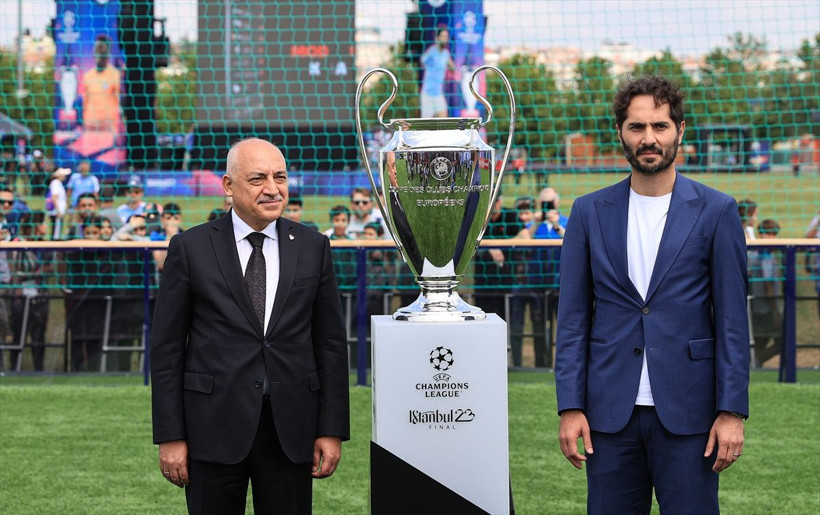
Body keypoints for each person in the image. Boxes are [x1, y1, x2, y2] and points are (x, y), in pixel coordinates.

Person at [556, 76, 749, 514]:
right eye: (637, 127)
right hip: (608, 414)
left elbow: (733, 322)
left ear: (680, 130)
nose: (649, 138)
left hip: (691, 413)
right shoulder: (588, 211)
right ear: (620, 133)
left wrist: (732, 411)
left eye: (660, 126)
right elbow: (571, 319)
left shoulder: (717, 210)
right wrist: (570, 406)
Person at [150, 138, 349, 513]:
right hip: (211, 428)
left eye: (280, 177)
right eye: (258, 178)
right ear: (228, 185)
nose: (273, 189)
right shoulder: (190, 248)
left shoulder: (313, 246)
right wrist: (170, 435)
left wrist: (331, 428)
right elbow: (167, 350)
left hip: (291, 430)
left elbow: (331, 345)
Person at [8, 211, 51, 371]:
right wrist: (35, 273)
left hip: (40, 297)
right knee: (19, 335)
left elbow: (50, 268)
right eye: (43, 223)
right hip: (21, 298)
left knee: (39, 337)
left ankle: (39, 369)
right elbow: (14, 270)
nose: (45, 227)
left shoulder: (45, 246)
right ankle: (14, 369)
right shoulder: (18, 244)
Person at [473, 194, 521, 320]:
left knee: (506, 318)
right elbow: (469, 240)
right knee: (484, 317)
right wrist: (489, 248)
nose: (493, 204)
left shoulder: (510, 215)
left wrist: (502, 246)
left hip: (507, 277)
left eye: (495, 201)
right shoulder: (478, 216)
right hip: (484, 281)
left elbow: (525, 235)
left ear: (500, 201)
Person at [749, 219, 783, 367]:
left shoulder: (753, 254)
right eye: (769, 233)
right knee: (782, 342)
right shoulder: (766, 256)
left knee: (760, 343)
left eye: (774, 234)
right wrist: (775, 311)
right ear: (760, 234)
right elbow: (768, 284)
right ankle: (753, 362)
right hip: (766, 309)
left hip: (757, 307)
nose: (772, 237)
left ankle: (754, 362)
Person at [79, 35, 121, 133]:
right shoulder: (87, 76)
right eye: (96, 48)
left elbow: (120, 102)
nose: (98, 52)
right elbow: (84, 102)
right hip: (89, 127)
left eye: (102, 49)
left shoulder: (115, 75)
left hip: (108, 128)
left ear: (108, 53)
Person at [420, 26, 455, 118]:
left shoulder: (446, 54)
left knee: (443, 119)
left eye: (446, 37)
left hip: (438, 93)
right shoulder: (432, 51)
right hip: (428, 93)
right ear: (437, 38)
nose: (445, 39)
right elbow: (422, 61)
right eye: (442, 36)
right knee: (426, 122)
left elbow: (452, 67)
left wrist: (452, 68)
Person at [46, 167, 71, 240]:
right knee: (56, 232)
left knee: (57, 230)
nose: (65, 176)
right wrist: (58, 210)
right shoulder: (56, 183)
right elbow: (54, 196)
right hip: (56, 212)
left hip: (58, 212)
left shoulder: (58, 183)